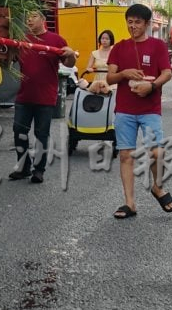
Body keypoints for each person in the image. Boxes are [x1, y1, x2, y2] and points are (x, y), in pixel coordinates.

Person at [106, 4, 172, 219]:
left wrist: (152, 86)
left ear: (146, 24)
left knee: (156, 152)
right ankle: (130, 203)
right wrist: (124, 73)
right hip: (124, 109)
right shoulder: (119, 48)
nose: (132, 26)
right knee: (126, 155)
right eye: (130, 21)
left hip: (150, 108)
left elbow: (167, 73)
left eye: (137, 22)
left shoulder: (157, 46)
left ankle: (158, 187)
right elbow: (109, 78)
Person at [10, 10, 77, 184]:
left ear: (43, 20)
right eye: (27, 17)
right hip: (24, 96)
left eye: (33, 17)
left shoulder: (56, 40)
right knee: (19, 132)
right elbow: (9, 58)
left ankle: (38, 170)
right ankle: (23, 167)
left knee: (41, 135)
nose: (29, 20)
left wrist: (70, 54)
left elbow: (69, 63)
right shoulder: (22, 39)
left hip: (45, 98)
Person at [82, 29, 115, 94]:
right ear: (100, 39)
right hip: (97, 82)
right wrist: (89, 69)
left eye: (107, 39)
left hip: (111, 81)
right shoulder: (94, 53)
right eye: (102, 38)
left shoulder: (114, 52)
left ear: (111, 40)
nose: (104, 40)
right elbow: (88, 67)